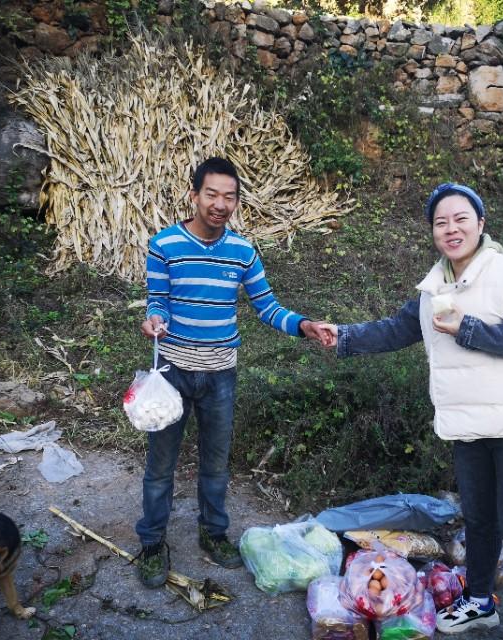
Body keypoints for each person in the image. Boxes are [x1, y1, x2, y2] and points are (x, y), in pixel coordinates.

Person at [319, 183, 503, 640]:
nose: (451, 228)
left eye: (461, 218)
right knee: (480, 520)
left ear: (481, 224)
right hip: (469, 426)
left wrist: (467, 329)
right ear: (433, 231)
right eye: (441, 222)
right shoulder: (433, 291)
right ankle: (480, 601)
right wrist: (343, 336)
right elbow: (396, 329)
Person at [135, 157, 329, 586]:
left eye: (229, 196)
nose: (220, 204)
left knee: (216, 465)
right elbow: (157, 300)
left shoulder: (243, 251)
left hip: (221, 375)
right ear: (194, 195)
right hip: (171, 373)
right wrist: (153, 319)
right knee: (160, 466)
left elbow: (268, 306)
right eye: (212, 194)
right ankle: (151, 544)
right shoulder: (164, 244)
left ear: (237, 201)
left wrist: (304, 326)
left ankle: (214, 534)